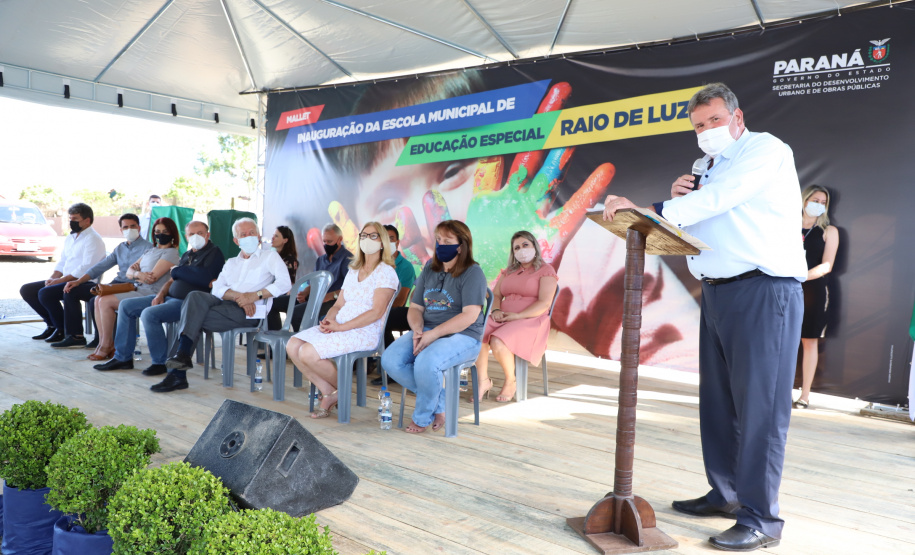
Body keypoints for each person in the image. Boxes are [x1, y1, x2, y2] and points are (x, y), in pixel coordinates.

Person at [602, 83, 806, 551]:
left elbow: (722, 199)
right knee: (718, 405)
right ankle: (726, 493)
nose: (707, 131)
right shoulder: (704, 167)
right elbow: (704, 220)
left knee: (760, 409)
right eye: (698, 126)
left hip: (763, 290)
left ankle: (761, 518)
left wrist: (653, 209)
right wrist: (673, 211)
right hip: (716, 292)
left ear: (737, 116)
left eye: (714, 120)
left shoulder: (765, 149)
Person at [158, 218, 291, 393]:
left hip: (250, 313)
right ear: (236, 241)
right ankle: (180, 365)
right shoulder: (231, 263)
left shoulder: (270, 256)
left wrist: (254, 296)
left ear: (258, 236)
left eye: (252, 233)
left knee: (191, 315)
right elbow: (218, 289)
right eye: (243, 234)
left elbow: (285, 284)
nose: (248, 236)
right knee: (195, 297)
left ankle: (178, 371)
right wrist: (240, 297)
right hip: (226, 304)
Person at [380, 220, 487, 434]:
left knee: (426, 362)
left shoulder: (473, 273)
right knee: (390, 360)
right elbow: (416, 307)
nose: (440, 245)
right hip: (428, 330)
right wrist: (418, 331)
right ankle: (441, 404)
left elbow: (470, 315)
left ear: (461, 245)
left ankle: (421, 417)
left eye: (447, 241)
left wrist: (433, 335)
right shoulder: (430, 267)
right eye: (438, 240)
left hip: (464, 335)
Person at [286, 222, 399, 418]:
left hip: (364, 331)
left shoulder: (386, 272)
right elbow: (338, 305)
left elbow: (376, 312)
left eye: (373, 236)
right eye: (364, 235)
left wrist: (341, 327)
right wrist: (329, 321)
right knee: (292, 344)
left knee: (307, 352)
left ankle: (342, 392)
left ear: (383, 243)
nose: (367, 240)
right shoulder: (354, 269)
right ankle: (330, 392)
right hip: (341, 326)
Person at [92, 221, 225, 373]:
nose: (196, 237)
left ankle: (159, 362)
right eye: (192, 234)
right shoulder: (188, 254)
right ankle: (122, 358)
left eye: (200, 233)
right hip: (168, 297)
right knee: (126, 306)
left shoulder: (214, 252)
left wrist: (177, 271)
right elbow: (172, 279)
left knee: (149, 314)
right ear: (186, 237)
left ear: (207, 234)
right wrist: (161, 294)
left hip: (189, 303)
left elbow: (205, 278)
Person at [474, 231, 557, 402]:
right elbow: (495, 295)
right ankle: (483, 381)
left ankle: (510, 381)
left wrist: (518, 316)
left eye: (525, 245)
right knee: (476, 334)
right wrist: (496, 311)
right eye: (517, 247)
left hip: (531, 319)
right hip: (504, 316)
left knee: (498, 341)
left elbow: (544, 303)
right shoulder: (509, 271)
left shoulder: (546, 270)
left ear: (534, 246)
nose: (521, 250)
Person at [50, 213, 152, 349]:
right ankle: (75, 336)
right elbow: (100, 267)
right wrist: (78, 281)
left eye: (133, 226)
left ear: (139, 228)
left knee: (95, 300)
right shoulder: (120, 248)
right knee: (72, 290)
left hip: (133, 286)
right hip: (117, 283)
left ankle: (103, 340)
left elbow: (146, 274)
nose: (129, 229)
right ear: (121, 230)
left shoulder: (148, 248)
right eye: (125, 227)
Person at [88, 217, 180, 361]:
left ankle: (107, 345)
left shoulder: (170, 253)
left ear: (172, 233)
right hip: (138, 289)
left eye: (165, 231)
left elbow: (152, 278)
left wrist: (136, 273)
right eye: (157, 231)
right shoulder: (150, 251)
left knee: (105, 302)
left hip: (152, 293)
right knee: (98, 299)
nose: (160, 234)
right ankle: (102, 343)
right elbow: (129, 272)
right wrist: (138, 274)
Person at [20, 203, 105, 344]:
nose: (72, 222)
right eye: (70, 218)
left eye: (75, 219)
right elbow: (63, 260)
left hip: (84, 282)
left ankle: (63, 330)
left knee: (45, 293)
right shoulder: (71, 237)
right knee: (27, 290)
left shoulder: (93, 239)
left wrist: (60, 281)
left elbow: (86, 268)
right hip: (65, 279)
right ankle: (52, 325)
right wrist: (53, 278)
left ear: (87, 220)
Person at [795, 185, 839, 409]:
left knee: (809, 342)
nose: (819, 205)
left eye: (823, 203)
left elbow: (827, 266)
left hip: (813, 292)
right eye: (815, 200)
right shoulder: (786, 225)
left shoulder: (829, 231)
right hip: (783, 290)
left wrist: (799, 277)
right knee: (781, 341)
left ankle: (805, 395)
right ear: (804, 200)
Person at [278, 224, 352, 332]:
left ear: (339, 239)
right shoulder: (321, 259)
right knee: (274, 304)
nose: (326, 245)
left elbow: (351, 288)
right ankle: (273, 347)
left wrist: (331, 295)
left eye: (330, 242)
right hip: (315, 297)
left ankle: (304, 343)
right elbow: (314, 282)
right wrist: (305, 292)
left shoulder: (348, 260)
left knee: (296, 313)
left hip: (334, 301)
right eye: (324, 241)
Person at [370, 224, 416, 386]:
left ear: (398, 242)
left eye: (392, 239)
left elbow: (401, 300)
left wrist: (378, 308)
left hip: (401, 311)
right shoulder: (374, 264)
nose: (388, 242)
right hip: (377, 309)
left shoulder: (405, 267)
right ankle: (366, 359)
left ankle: (392, 369)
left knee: (382, 319)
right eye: (385, 239)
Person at [266, 225, 300, 330]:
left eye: (276, 236)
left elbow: (286, 284)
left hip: (285, 294)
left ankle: (274, 341)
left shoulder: (289, 260)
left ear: (285, 240)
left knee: (269, 302)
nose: (272, 238)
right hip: (272, 292)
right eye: (273, 235)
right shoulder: (272, 256)